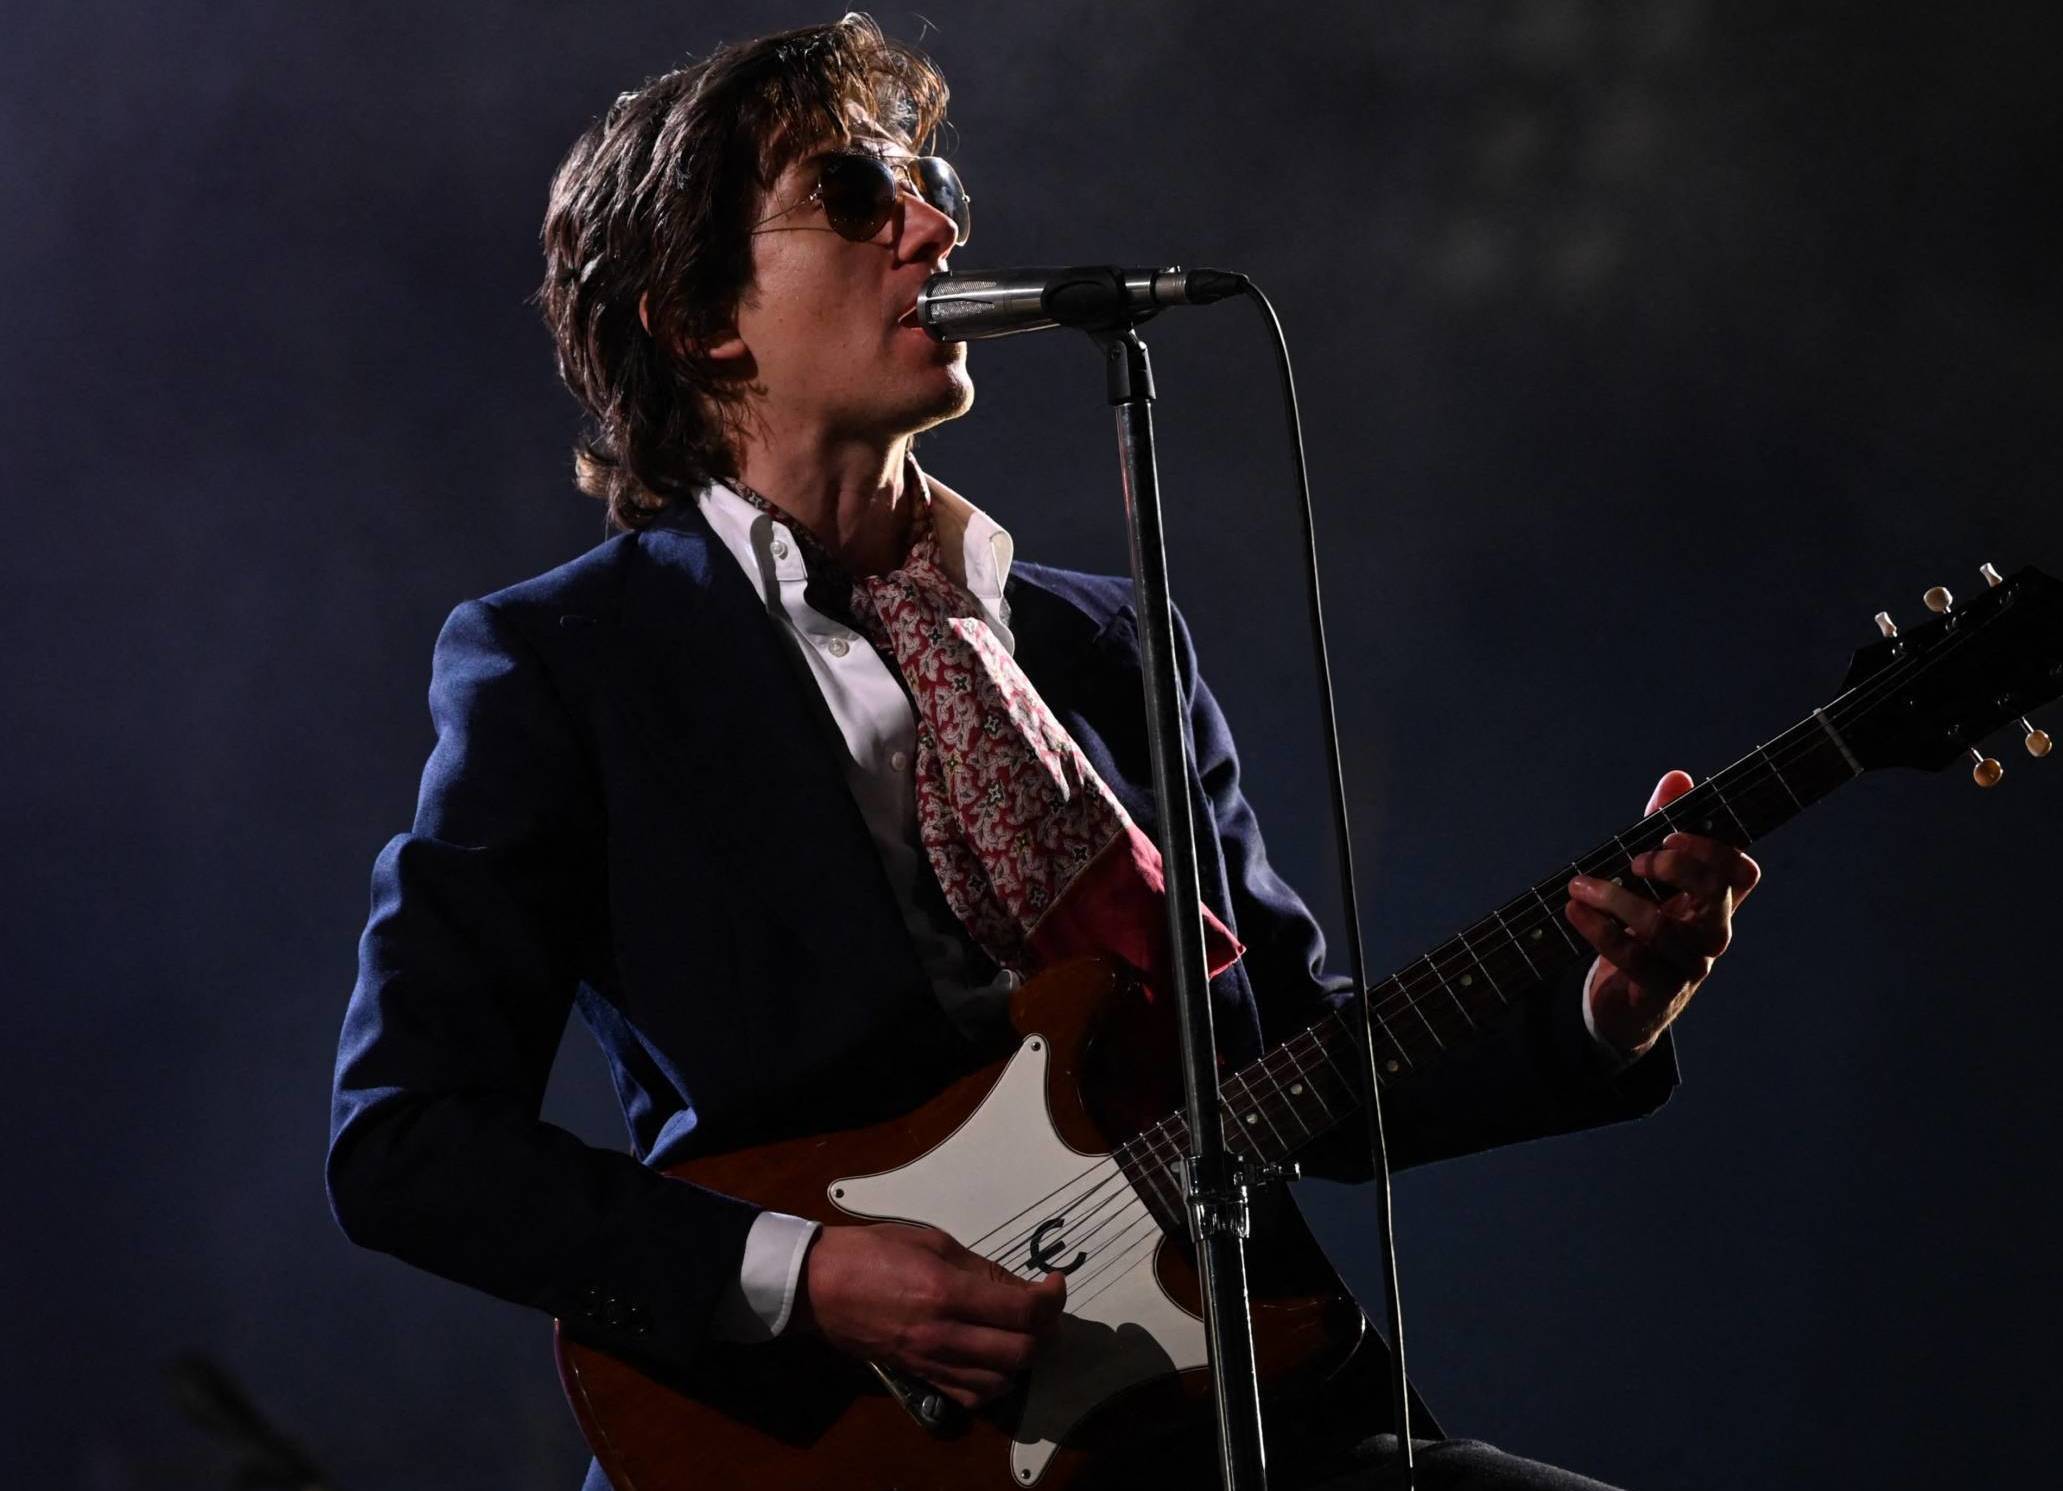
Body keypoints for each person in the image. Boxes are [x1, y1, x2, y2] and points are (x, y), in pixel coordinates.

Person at [325, 16, 1762, 1490]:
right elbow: (409, 1141)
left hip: (1228, 1415)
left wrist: (1598, 1006)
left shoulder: (1103, 643)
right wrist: (808, 1276)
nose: (936, 225)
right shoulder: (568, 663)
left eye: (930, 182)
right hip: (851, 1444)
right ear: (699, 315)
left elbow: (1269, 1064)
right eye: (853, 195)